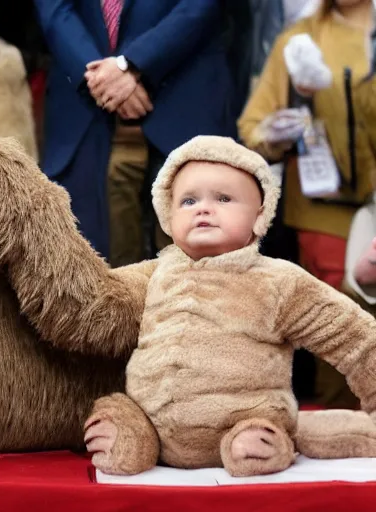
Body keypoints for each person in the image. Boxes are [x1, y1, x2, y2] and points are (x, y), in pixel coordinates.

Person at [83, 136, 376, 477]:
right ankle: (127, 436)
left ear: (259, 215)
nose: (203, 209)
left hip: (241, 418)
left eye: (224, 198)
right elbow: (95, 300)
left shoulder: (278, 281)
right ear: (167, 214)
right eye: (188, 200)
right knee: (120, 422)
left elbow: (355, 338)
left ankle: (261, 442)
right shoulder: (155, 273)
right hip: (152, 423)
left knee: (252, 443)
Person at [238, 0, 376, 408]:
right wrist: (279, 131)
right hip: (326, 209)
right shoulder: (300, 39)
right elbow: (253, 129)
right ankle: (347, 437)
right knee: (341, 330)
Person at [33, 0, 235, 264]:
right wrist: (101, 79)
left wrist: (132, 64)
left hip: (185, 96)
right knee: (85, 267)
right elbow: (55, 11)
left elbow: (198, 7)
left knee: (197, 272)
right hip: (84, 106)